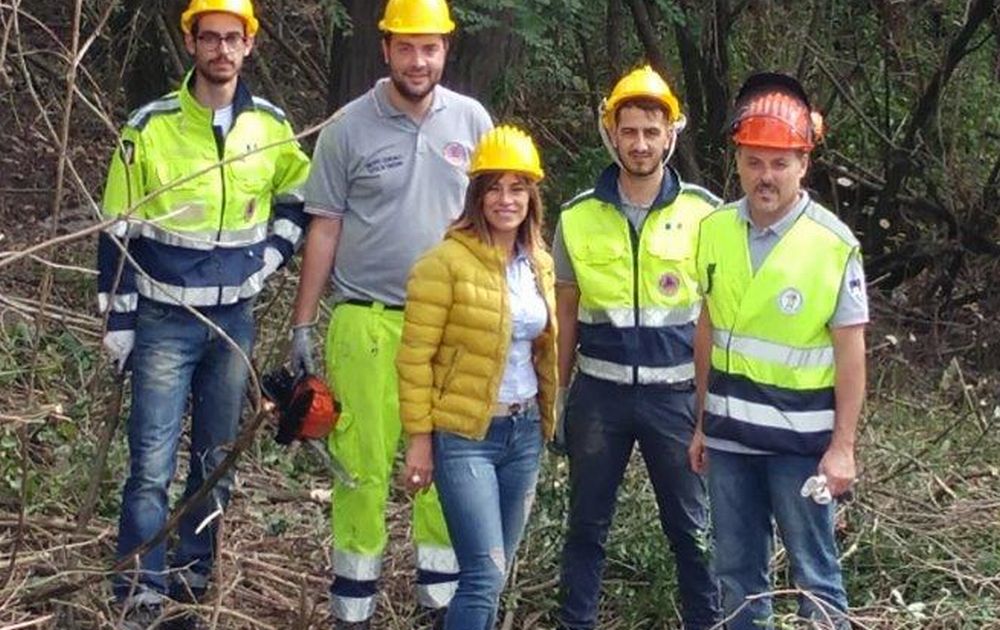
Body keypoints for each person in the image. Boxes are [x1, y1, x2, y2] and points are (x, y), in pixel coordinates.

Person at [96, 0, 310, 626]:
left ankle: (193, 574)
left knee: (216, 460)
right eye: (209, 37)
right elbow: (117, 229)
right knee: (151, 465)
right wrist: (119, 321)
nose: (221, 49)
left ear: (249, 45)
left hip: (233, 323)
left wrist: (269, 259)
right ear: (190, 43)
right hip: (164, 321)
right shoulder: (150, 126)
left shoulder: (270, 127)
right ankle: (141, 586)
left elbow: (300, 200)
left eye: (232, 38)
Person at [287, 0, 493, 624]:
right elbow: (324, 227)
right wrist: (303, 323)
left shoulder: (472, 121)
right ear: (385, 49)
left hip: (452, 321)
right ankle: (353, 605)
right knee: (361, 463)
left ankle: (442, 602)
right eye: (405, 47)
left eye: (429, 47)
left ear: (446, 49)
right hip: (366, 320)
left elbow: (496, 221)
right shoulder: (347, 127)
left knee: (450, 463)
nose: (418, 61)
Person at [688, 72, 868, 629]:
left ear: (802, 164)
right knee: (737, 576)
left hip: (801, 447)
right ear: (739, 161)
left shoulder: (833, 244)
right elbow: (708, 326)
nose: (765, 176)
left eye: (779, 163)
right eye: (754, 162)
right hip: (729, 440)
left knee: (816, 574)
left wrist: (843, 448)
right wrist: (701, 423)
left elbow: (851, 353)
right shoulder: (714, 230)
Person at [551, 65, 721, 629]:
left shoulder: (705, 214)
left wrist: (709, 409)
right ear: (611, 133)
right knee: (585, 527)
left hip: (676, 398)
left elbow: (717, 317)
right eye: (630, 131)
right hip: (599, 398)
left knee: (691, 531)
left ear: (671, 134)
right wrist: (557, 397)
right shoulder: (577, 216)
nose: (641, 143)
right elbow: (566, 313)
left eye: (652, 131)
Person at [396, 125, 557, 630]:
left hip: (523, 434)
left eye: (518, 188)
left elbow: (544, 351)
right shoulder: (443, 263)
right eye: (495, 188)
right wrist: (420, 441)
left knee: (496, 575)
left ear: (532, 197)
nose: (506, 200)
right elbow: (414, 359)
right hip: (466, 437)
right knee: (482, 576)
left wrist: (549, 420)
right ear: (477, 195)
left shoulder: (539, 264)